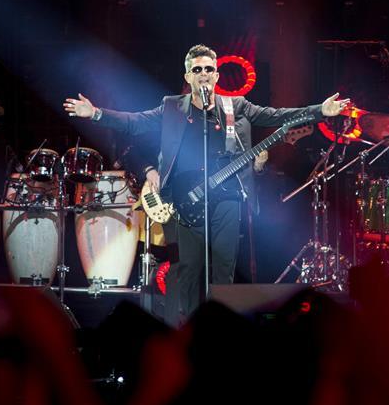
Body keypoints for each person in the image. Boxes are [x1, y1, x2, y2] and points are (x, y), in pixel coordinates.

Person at [64, 44, 348, 325]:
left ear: (217, 76)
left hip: (226, 197)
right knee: (186, 269)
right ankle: (185, 332)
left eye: (209, 69)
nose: (203, 74)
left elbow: (276, 115)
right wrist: (96, 113)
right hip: (184, 199)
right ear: (188, 76)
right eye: (197, 69)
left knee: (224, 267)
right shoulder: (172, 106)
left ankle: (221, 332)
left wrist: (319, 110)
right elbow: (134, 122)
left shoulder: (235, 106)